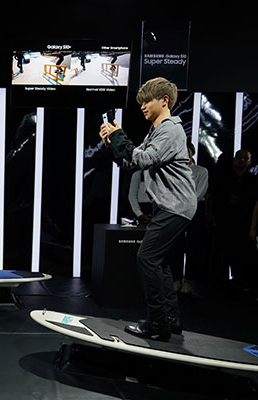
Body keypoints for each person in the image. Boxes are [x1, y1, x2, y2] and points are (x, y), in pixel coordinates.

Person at [100, 77, 197, 341]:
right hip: (171, 205)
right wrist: (111, 143)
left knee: (146, 258)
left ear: (164, 100)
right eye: (141, 102)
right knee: (159, 261)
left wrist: (119, 136)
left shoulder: (170, 129)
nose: (142, 106)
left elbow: (143, 159)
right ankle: (171, 320)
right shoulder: (156, 131)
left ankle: (157, 323)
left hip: (176, 205)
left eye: (147, 101)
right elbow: (130, 162)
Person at [207, 149, 258, 292]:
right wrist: (209, 216)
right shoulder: (222, 177)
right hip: (222, 223)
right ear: (234, 159)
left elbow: (256, 204)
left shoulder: (253, 180)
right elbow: (211, 197)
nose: (242, 160)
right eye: (239, 157)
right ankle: (219, 287)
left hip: (243, 225)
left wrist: (253, 229)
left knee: (241, 258)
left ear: (250, 161)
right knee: (220, 256)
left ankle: (240, 285)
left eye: (246, 158)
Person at [170, 141, 209, 294]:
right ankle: (177, 278)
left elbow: (200, 193)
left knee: (193, 246)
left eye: (187, 151)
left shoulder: (201, 171)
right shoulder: (173, 170)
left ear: (192, 153)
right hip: (176, 210)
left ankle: (189, 280)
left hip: (195, 211)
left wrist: (185, 204)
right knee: (176, 245)